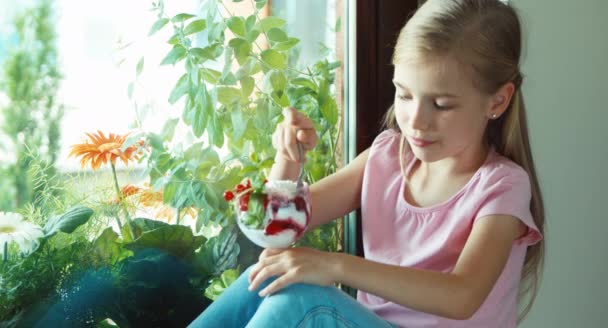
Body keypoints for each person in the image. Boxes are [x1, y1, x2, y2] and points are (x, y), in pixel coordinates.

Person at [189, 0, 545, 327]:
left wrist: (333, 265)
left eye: (441, 104)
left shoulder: (502, 186)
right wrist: (287, 161)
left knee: (305, 301)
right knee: (268, 273)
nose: (416, 120)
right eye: (404, 95)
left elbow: (462, 296)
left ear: (497, 101)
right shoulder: (388, 157)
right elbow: (275, 232)